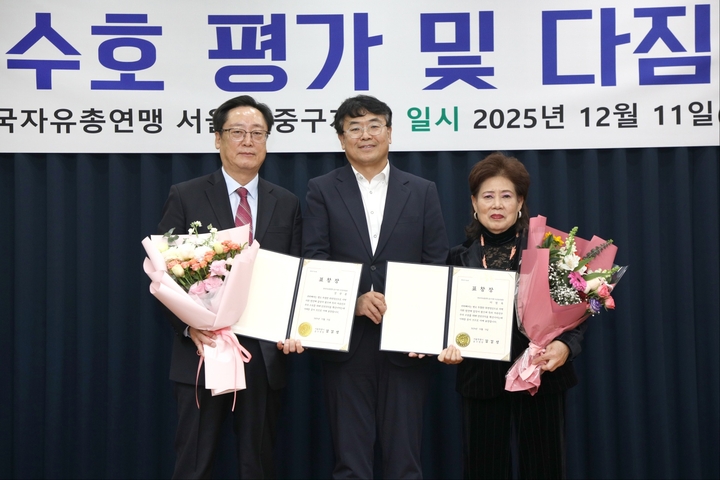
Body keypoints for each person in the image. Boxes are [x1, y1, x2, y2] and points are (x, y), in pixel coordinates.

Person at [157, 95, 303, 479]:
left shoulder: (286, 202)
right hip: (202, 351)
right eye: (237, 132)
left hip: (263, 355)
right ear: (217, 138)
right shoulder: (186, 195)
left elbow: (295, 274)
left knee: (257, 464)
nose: (248, 141)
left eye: (258, 133)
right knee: (194, 463)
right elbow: (163, 271)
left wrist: (295, 326)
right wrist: (189, 328)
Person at [303, 95, 449, 479]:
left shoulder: (422, 190)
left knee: (405, 461)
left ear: (390, 132)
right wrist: (353, 301)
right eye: (354, 128)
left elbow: (435, 262)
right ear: (341, 139)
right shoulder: (321, 189)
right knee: (350, 462)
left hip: (406, 342)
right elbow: (315, 259)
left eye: (374, 126)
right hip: (345, 342)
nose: (365, 135)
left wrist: (421, 324)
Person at [438, 152, 587, 479]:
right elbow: (444, 321)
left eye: (506, 196)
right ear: (474, 203)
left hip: (541, 375)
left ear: (520, 202)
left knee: (545, 469)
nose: (497, 205)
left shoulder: (549, 251)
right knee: (483, 470)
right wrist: (446, 346)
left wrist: (565, 346)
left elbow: (577, 312)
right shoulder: (456, 258)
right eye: (487, 196)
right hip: (480, 381)